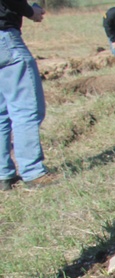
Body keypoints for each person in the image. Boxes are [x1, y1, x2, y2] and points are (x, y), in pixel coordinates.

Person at [1, 0, 58, 190]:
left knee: (1, 114)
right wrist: (29, 11)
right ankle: (33, 172)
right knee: (26, 109)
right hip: (5, 39)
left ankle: (4, 174)